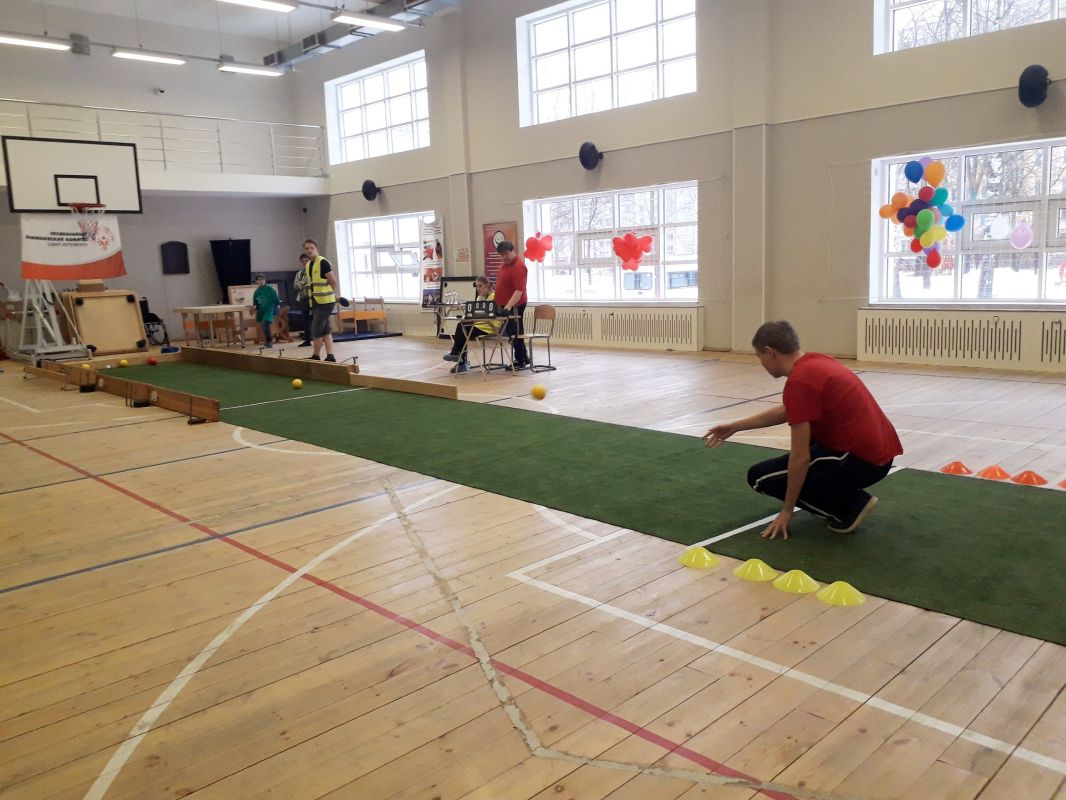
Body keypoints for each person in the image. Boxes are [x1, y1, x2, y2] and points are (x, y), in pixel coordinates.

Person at [703, 320, 902, 540]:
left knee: (760, 478)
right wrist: (735, 426)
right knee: (802, 452)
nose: (761, 363)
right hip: (877, 454)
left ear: (770, 352)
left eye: (759, 356)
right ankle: (839, 495)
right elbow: (791, 410)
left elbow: (800, 457)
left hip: (862, 461)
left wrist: (787, 510)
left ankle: (849, 507)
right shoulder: (815, 362)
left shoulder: (800, 381)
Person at [442, 276, 496, 374]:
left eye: (480, 286)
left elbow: (485, 313)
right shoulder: (479, 297)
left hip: (489, 327)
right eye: (477, 286)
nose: (478, 288)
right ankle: (460, 360)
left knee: (462, 329)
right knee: (461, 326)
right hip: (479, 324)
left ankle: (458, 357)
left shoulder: (493, 296)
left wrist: (482, 298)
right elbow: (476, 313)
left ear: (487, 285)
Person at [493, 241, 529, 369]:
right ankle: (524, 357)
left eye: (506, 254)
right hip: (505, 305)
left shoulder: (519, 266)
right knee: (512, 332)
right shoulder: (505, 265)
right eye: (501, 255)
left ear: (513, 251)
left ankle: (520, 361)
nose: (504, 257)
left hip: (515, 305)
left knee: (515, 333)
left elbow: (519, 291)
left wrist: (508, 307)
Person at [302, 238, 337, 362]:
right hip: (315, 302)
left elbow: (333, 281)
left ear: (316, 248)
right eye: (307, 248)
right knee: (325, 329)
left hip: (326, 302)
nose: (309, 250)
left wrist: (331, 294)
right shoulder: (308, 265)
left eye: (311, 248)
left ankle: (316, 356)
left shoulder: (323, 262)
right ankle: (330, 356)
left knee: (316, 329)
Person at [251, 273, 280, 349]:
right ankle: (267, 341)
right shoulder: (256, 291)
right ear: (256, 281)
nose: (261, 281)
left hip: (269, 309)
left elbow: (275, 297)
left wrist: (277, 304)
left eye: (262, 279)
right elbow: (255, 302)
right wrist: (254, 306)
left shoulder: (269, 288)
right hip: (261, 310)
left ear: (265, 280)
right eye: (259, 280)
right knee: (263, 325)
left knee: (265, 323)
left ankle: (269, 341)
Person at [294, 252, 312, 347]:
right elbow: (296, 286)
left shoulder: (314, 272)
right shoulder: (299, 273)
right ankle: (307, 340)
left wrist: (302, 284)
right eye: (303, 261)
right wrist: (304, 284)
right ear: (301, 262)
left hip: (314, 298)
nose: (305, 262)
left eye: (306, 260)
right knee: (305, 321)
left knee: (315, 320)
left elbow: (312, 284)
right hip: (304, 298)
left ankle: (319, 339)